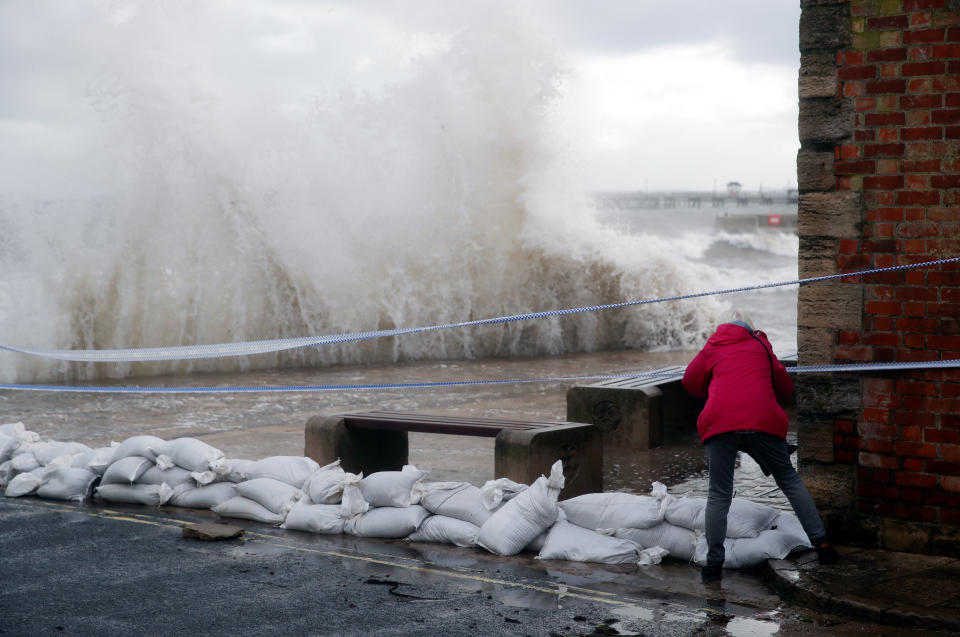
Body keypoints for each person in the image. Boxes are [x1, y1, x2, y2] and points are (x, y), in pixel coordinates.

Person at [682, 309, 839, 584]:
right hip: (762, 421)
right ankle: (823, 545)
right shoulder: (760, 344)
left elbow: (690, 383)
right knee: (789, 480)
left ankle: (713, 566)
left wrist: (715, 383)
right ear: (749, 327)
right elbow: (785, 388)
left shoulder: (712, 346)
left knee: (719, 494)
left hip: (719, 422)